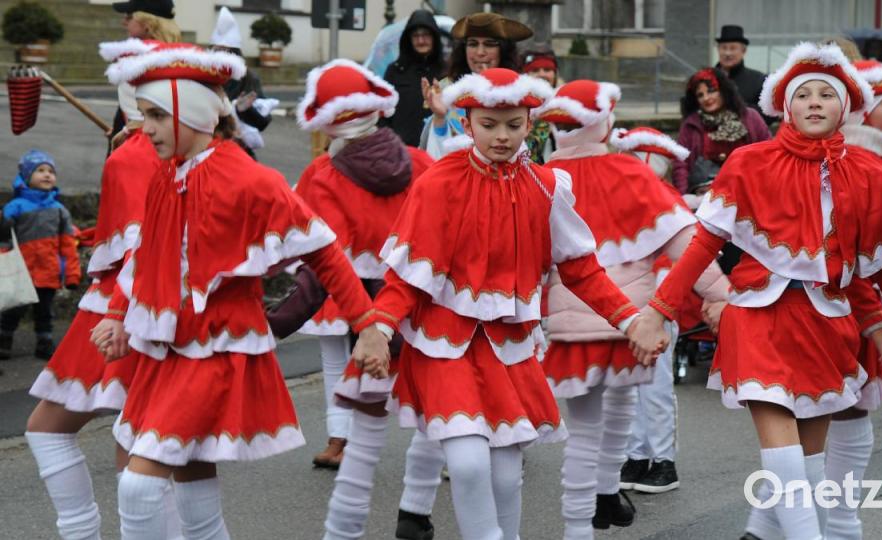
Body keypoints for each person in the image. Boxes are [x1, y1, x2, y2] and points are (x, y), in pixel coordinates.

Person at [631, 42, 882, 539]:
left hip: (827, 327)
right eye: (804, 94)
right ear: (785, 106)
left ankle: (766, 533)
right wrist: (657, 310)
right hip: (758, 319)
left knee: (807, 468)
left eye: (827, 94)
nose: (815, 102)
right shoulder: (751, 162)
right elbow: (704, 242)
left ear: (846, 107)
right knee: (786, 461)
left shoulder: (868, 174)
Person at [347, 67, 648, 540]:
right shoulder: (438, 184)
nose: (502, 136)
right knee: (467, 466)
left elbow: (581, 270)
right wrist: (379, 328)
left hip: (508, 348)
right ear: (467, 124)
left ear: (531, 124)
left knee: (507, 474)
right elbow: (406, 278)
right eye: (489, 124)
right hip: (443, 346)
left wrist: (631, 320)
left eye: (513, 124)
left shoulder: (548, 187)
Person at [91, 42, 375, 538]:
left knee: (138, 486)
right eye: (144, 115)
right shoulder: (168, 175)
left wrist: (369, 326)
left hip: (219, 346)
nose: (146, 128)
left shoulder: (252, 180)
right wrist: (117, 313)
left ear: (196, 115)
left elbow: (324, 252)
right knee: (191, 477)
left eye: (158, 115)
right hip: (172, 347)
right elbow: (148, 254)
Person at [533, 80, 730, 538]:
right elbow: (688, 244)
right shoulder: (633, 174)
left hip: (569, 325)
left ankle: (579, 526)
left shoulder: (541, 183)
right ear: (605, 122)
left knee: (582, 434)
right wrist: (721, 295)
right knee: (622, 403)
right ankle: (605, 491)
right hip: (633, 322)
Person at [21, 39, 179, 540]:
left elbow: (141, 245)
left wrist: (118, 309)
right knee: (141, 447)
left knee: (70, 433)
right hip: (152, 304)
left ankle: (82, 533)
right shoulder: (173, 149)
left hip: (120, 304)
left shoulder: (135, 154)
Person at [291, 59, 433, 471]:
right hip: (403, 277)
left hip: (342, 279)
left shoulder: (322, 173)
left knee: (335, 353)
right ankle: (439, 432)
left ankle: (340, 438)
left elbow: (314, 237)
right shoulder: (418, 161)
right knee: (423, 357)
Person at [814, 58, 882, 540]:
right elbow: (853, 264)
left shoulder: (868, 160)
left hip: (853, 309)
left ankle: (817, 523)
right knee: (816, 422)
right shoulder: (846, 165)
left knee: (843, 413)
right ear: (861, 111)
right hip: (827, 311)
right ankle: (829, 526)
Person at [609, 127, 710, 496]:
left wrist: (660, 306)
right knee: (630, 384)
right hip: (626, 305)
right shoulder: (621, 201)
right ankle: (637, 455)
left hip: (658, 305)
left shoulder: (666, 201)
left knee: (655, 384)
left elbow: (681, 261)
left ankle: (663, 459)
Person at [0, 150, 80, 360]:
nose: (47, 175)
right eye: (40, 170)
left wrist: (71, 275)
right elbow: (5, 240)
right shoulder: (14, 207)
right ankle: (4, 339)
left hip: (48, 272)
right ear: (27, 177)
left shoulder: (59, 210)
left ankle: (44, 342)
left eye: (51, 171)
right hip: (21, 271)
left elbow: (68, 245)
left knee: (44, 311)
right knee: (13, 309)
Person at [419, 12, 532, 158]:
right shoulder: (445, 91)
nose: (480, 52)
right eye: (473, 44)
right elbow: (432, 155)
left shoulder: (520, 91)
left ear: (503, 50)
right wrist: (440, 117)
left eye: (489, 44)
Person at [674, 67, 769, 197]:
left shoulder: (750, 117)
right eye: (700, 95)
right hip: (704, 197)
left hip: (748, 192)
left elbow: (769, 154)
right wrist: (684, 197)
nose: (706, 98)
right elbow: (681, 164)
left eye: (711, 91)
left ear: (723, 91)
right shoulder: (690, 125)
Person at [108, 0, 180, 149]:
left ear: (148, 24)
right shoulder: (177, 57)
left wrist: (129, 130)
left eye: (129, 17)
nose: (124, 22)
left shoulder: (148, 64)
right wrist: (119, 127)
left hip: (143, 149)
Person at [209, 6, 277, 155]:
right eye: (216, 50)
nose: (221, 55)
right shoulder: (203, 77)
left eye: (226, 51)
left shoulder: (248, 78)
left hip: (238, 152)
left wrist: (245, 110)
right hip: (205, 151)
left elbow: (262, 122)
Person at [381, 9, 445, 147]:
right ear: (408, 39)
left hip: (436, 150)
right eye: (415, 36)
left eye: (426, 35)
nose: (421, 40)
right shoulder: (395, 71)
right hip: (402, 152)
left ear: (434, 37)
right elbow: (383, 114)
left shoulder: (446, 71)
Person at [715, 25, 770, 123]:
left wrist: (738, 107)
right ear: (718, 50)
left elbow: (769, 112)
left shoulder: (758, 80)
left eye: (733, 48)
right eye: (724, 48)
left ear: (743, 51)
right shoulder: (706, 78)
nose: (727, 53)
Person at [521, 43, 559, 164]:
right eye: (535, 70)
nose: (542, 74)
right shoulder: (517, 105)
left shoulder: (565, 104)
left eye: (547, 70)